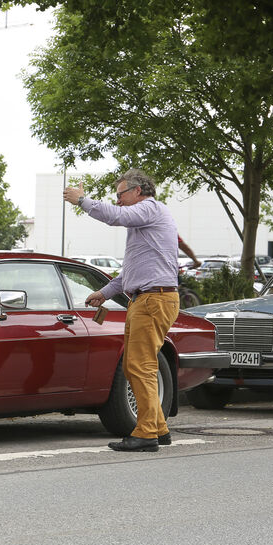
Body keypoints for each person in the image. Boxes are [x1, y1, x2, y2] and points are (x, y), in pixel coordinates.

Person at [63, 169, 180, 452]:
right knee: (140, 367)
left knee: (139, 367)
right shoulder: (145, 223)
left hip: (153, 300)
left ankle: (147, 433)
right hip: (150, 299)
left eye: (120, 195)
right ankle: (157, 428)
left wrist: (82, 201)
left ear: (138, 191)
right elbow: (129, 275)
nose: (118, 201)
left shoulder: (149, 209)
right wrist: (103, 293)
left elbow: (116, 217)